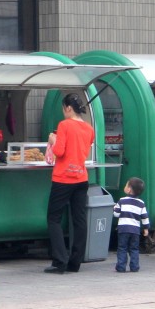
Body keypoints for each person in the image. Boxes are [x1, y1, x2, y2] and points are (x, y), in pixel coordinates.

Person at [44, 93, 96, 274]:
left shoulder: (64, 125)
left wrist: (53, 140)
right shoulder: (89, 128)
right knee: (79, 219)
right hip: (81, 178)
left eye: (63, 109)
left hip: (63, 178)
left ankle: (59, 261)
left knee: (53, 218)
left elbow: (59, 151)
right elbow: (84, 151)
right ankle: (75, 262)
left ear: (67, 108)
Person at [112, 177, 149, 273]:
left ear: (128, 189)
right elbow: (144, 217)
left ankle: (121, 267)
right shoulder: (141, 203)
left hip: (123, 229)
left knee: (122, 248)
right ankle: (134, 267)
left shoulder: (122, 201)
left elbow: (116, 214)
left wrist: (114, 208)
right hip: (135, 231)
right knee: (134, 248)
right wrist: (146, 228)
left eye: (126, 185)